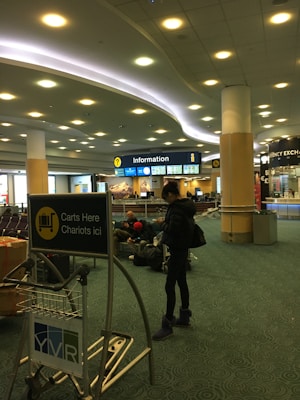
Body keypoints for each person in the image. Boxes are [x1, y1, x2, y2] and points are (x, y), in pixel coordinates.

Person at [152, 181, 196, 341]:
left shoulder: (177, 209)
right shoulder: (185, 206)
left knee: (169, 285)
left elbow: (173, 229)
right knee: (182, 282)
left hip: (177, 249)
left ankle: (168, 323)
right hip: (182, 248)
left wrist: (162, 223)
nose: (166, 201)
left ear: (171, 195)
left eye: (166, 198)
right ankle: (184, 316)